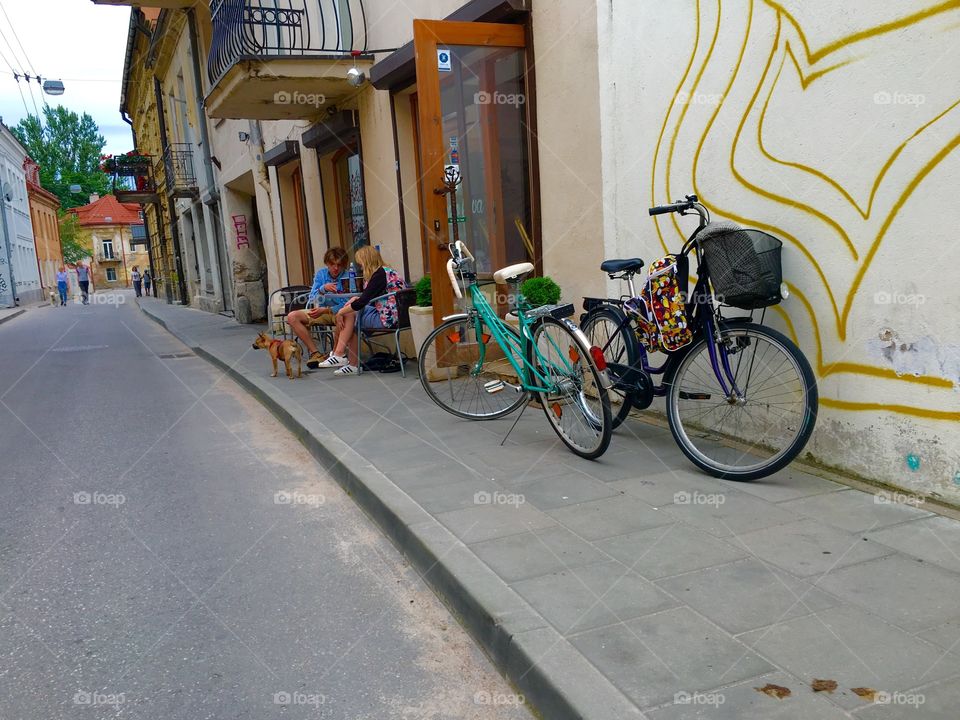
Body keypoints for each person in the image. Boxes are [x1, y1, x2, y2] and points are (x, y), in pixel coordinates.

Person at [316, 246, 406, 376]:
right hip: (399, 316)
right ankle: (350, 363)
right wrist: (355, 299)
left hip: (388, 319)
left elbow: (362, 303)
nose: (361, 268)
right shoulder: (387, 272)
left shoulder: (378, 275)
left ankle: (340, 355)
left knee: (349, 314)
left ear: (367, 261)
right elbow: (367, 297)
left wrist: (340, 312)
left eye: (361, 264)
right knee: (352, 314)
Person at [287, 247, 350, 369]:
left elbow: (348, 303)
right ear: (327, 263)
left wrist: (327, 309)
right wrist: (323, 289)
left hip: (339, 312)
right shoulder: (321, 274)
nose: (336, 268)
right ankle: (316, 353)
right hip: (321, 311)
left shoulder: (348, 276)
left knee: (343, 316)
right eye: (332, 264)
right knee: (292, 317)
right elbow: (312, 298)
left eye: (339, 265)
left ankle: (334, 354)